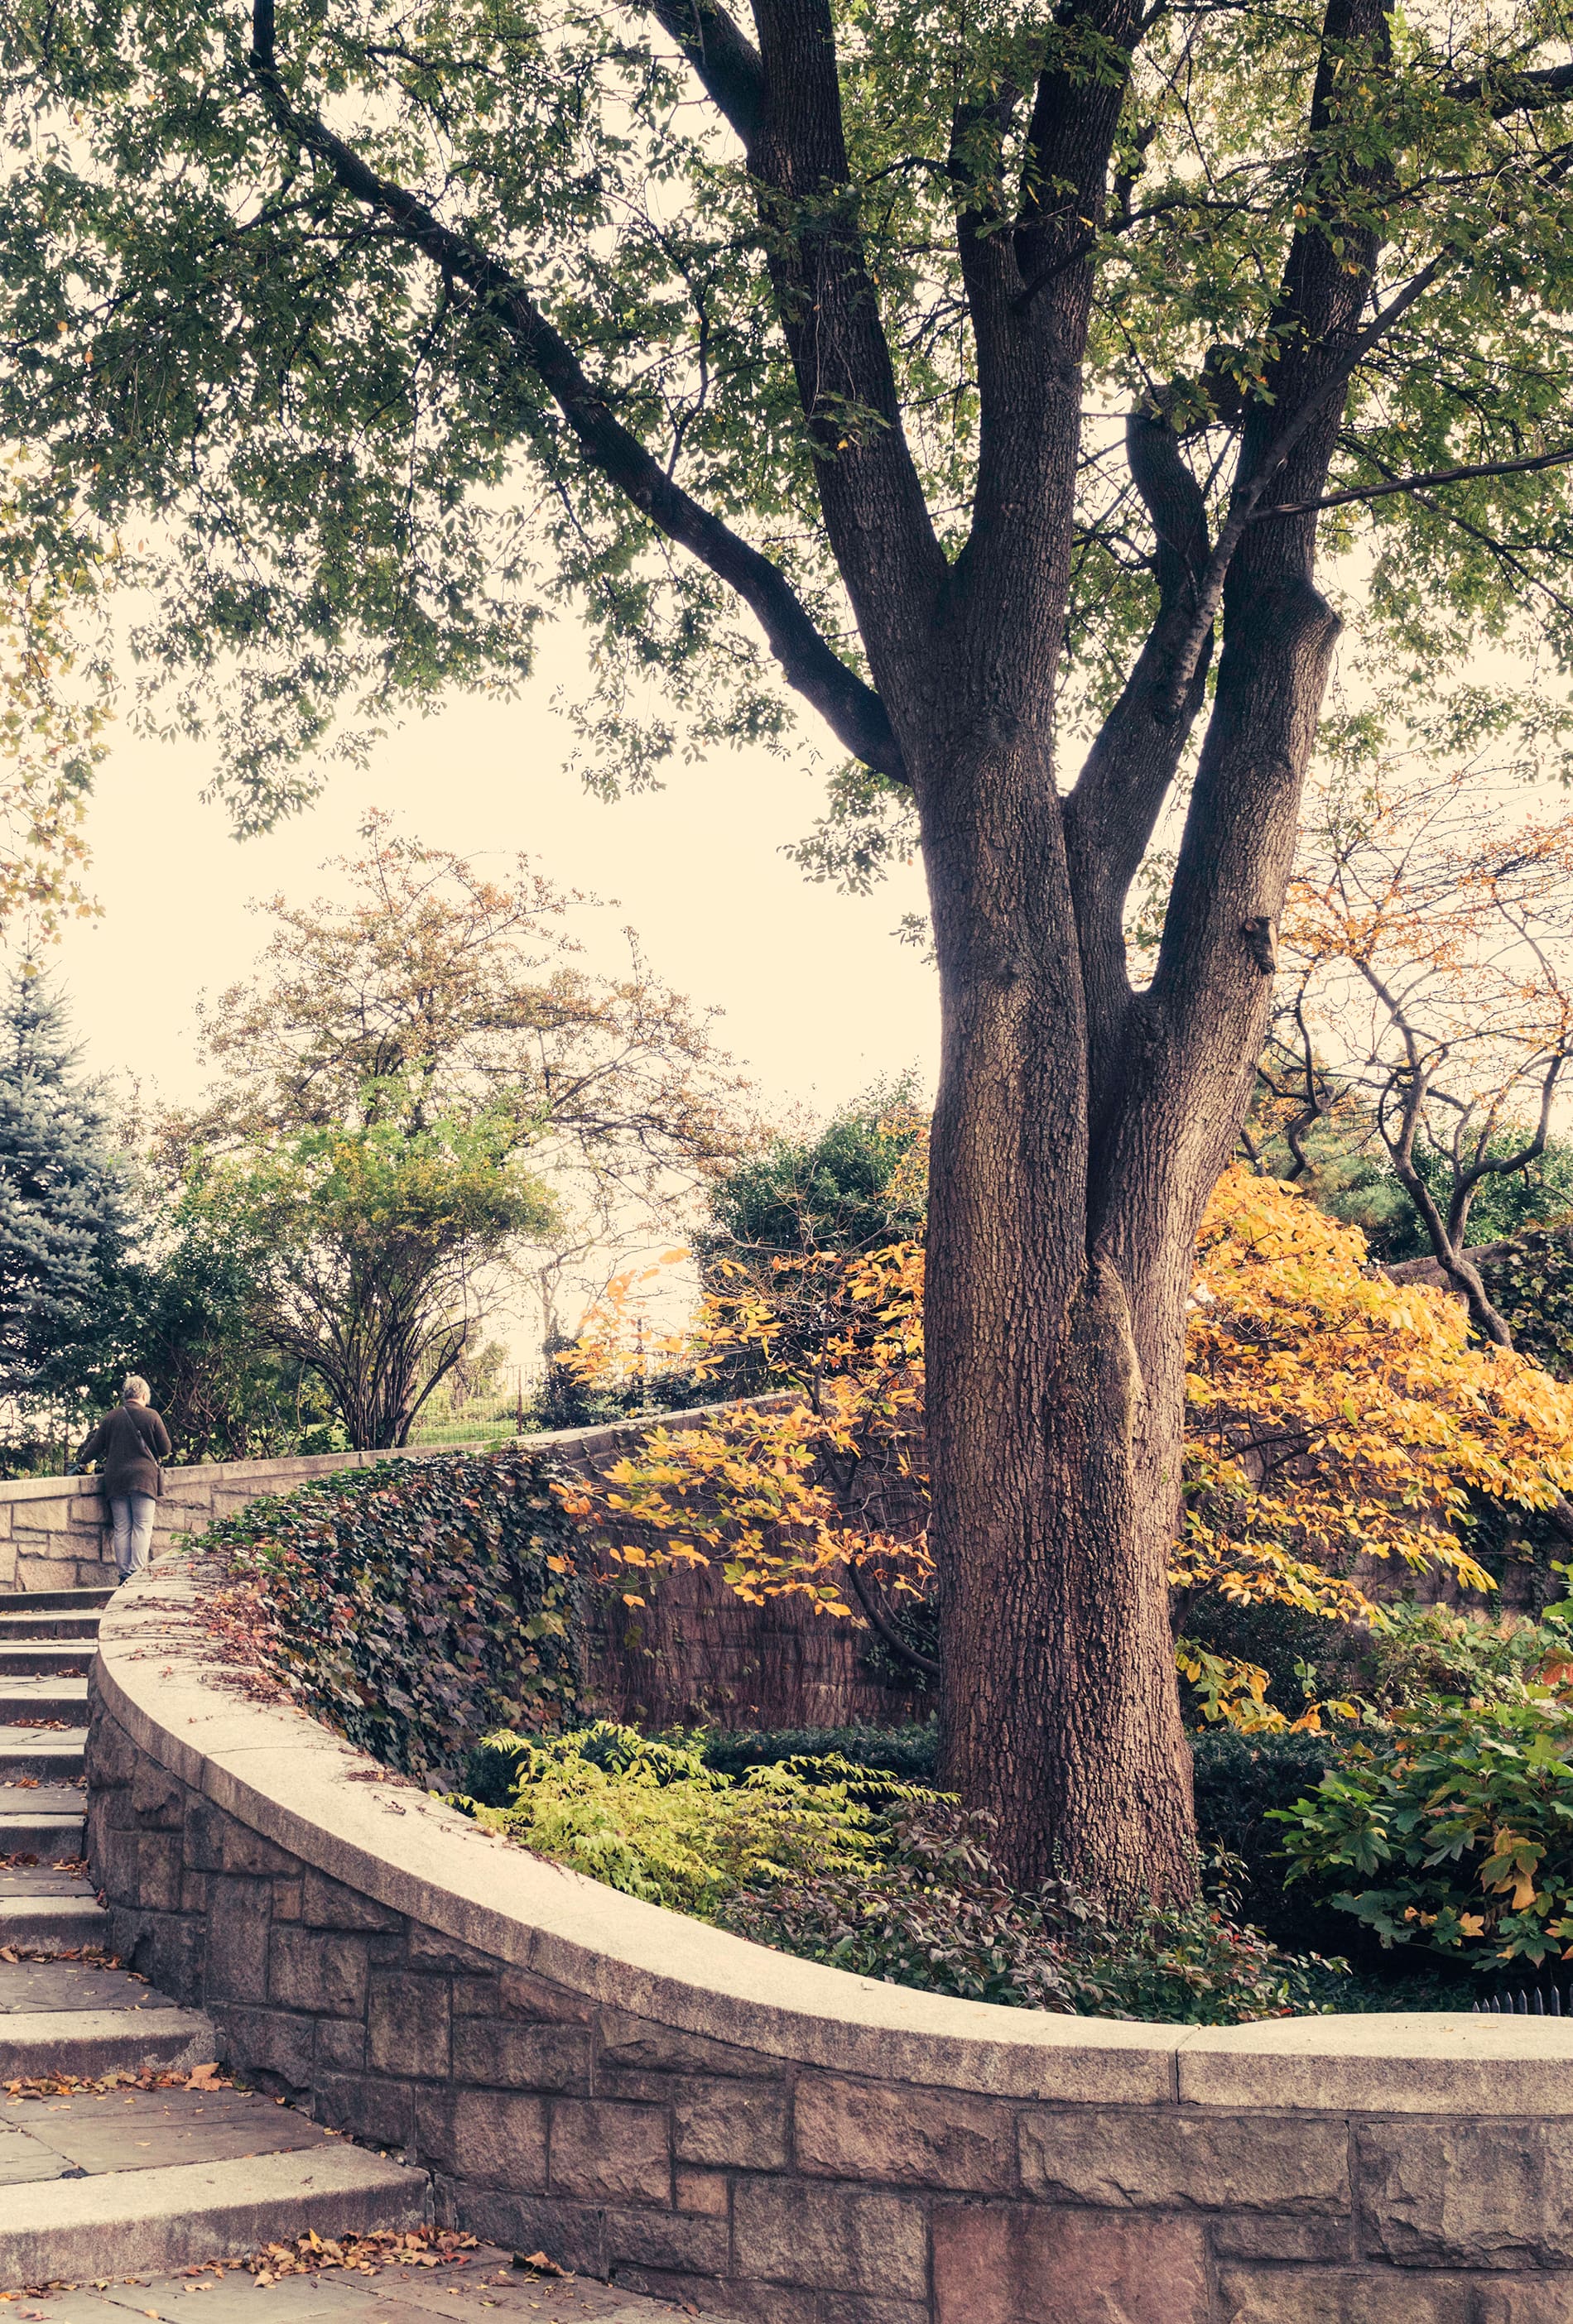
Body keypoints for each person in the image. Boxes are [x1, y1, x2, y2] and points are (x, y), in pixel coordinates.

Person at [76, 1376, 173, 1585]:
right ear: (144, 1395)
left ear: (126, 1395)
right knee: (142, 1526)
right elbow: (166, 1449)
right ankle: (135, 1574)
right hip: (144, 1479)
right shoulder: (152, 1415)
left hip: (115, 1479)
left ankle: (123, 1575)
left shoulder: (111, 1417)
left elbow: (94, 1446)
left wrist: (82, 1462)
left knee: (122, 1527)